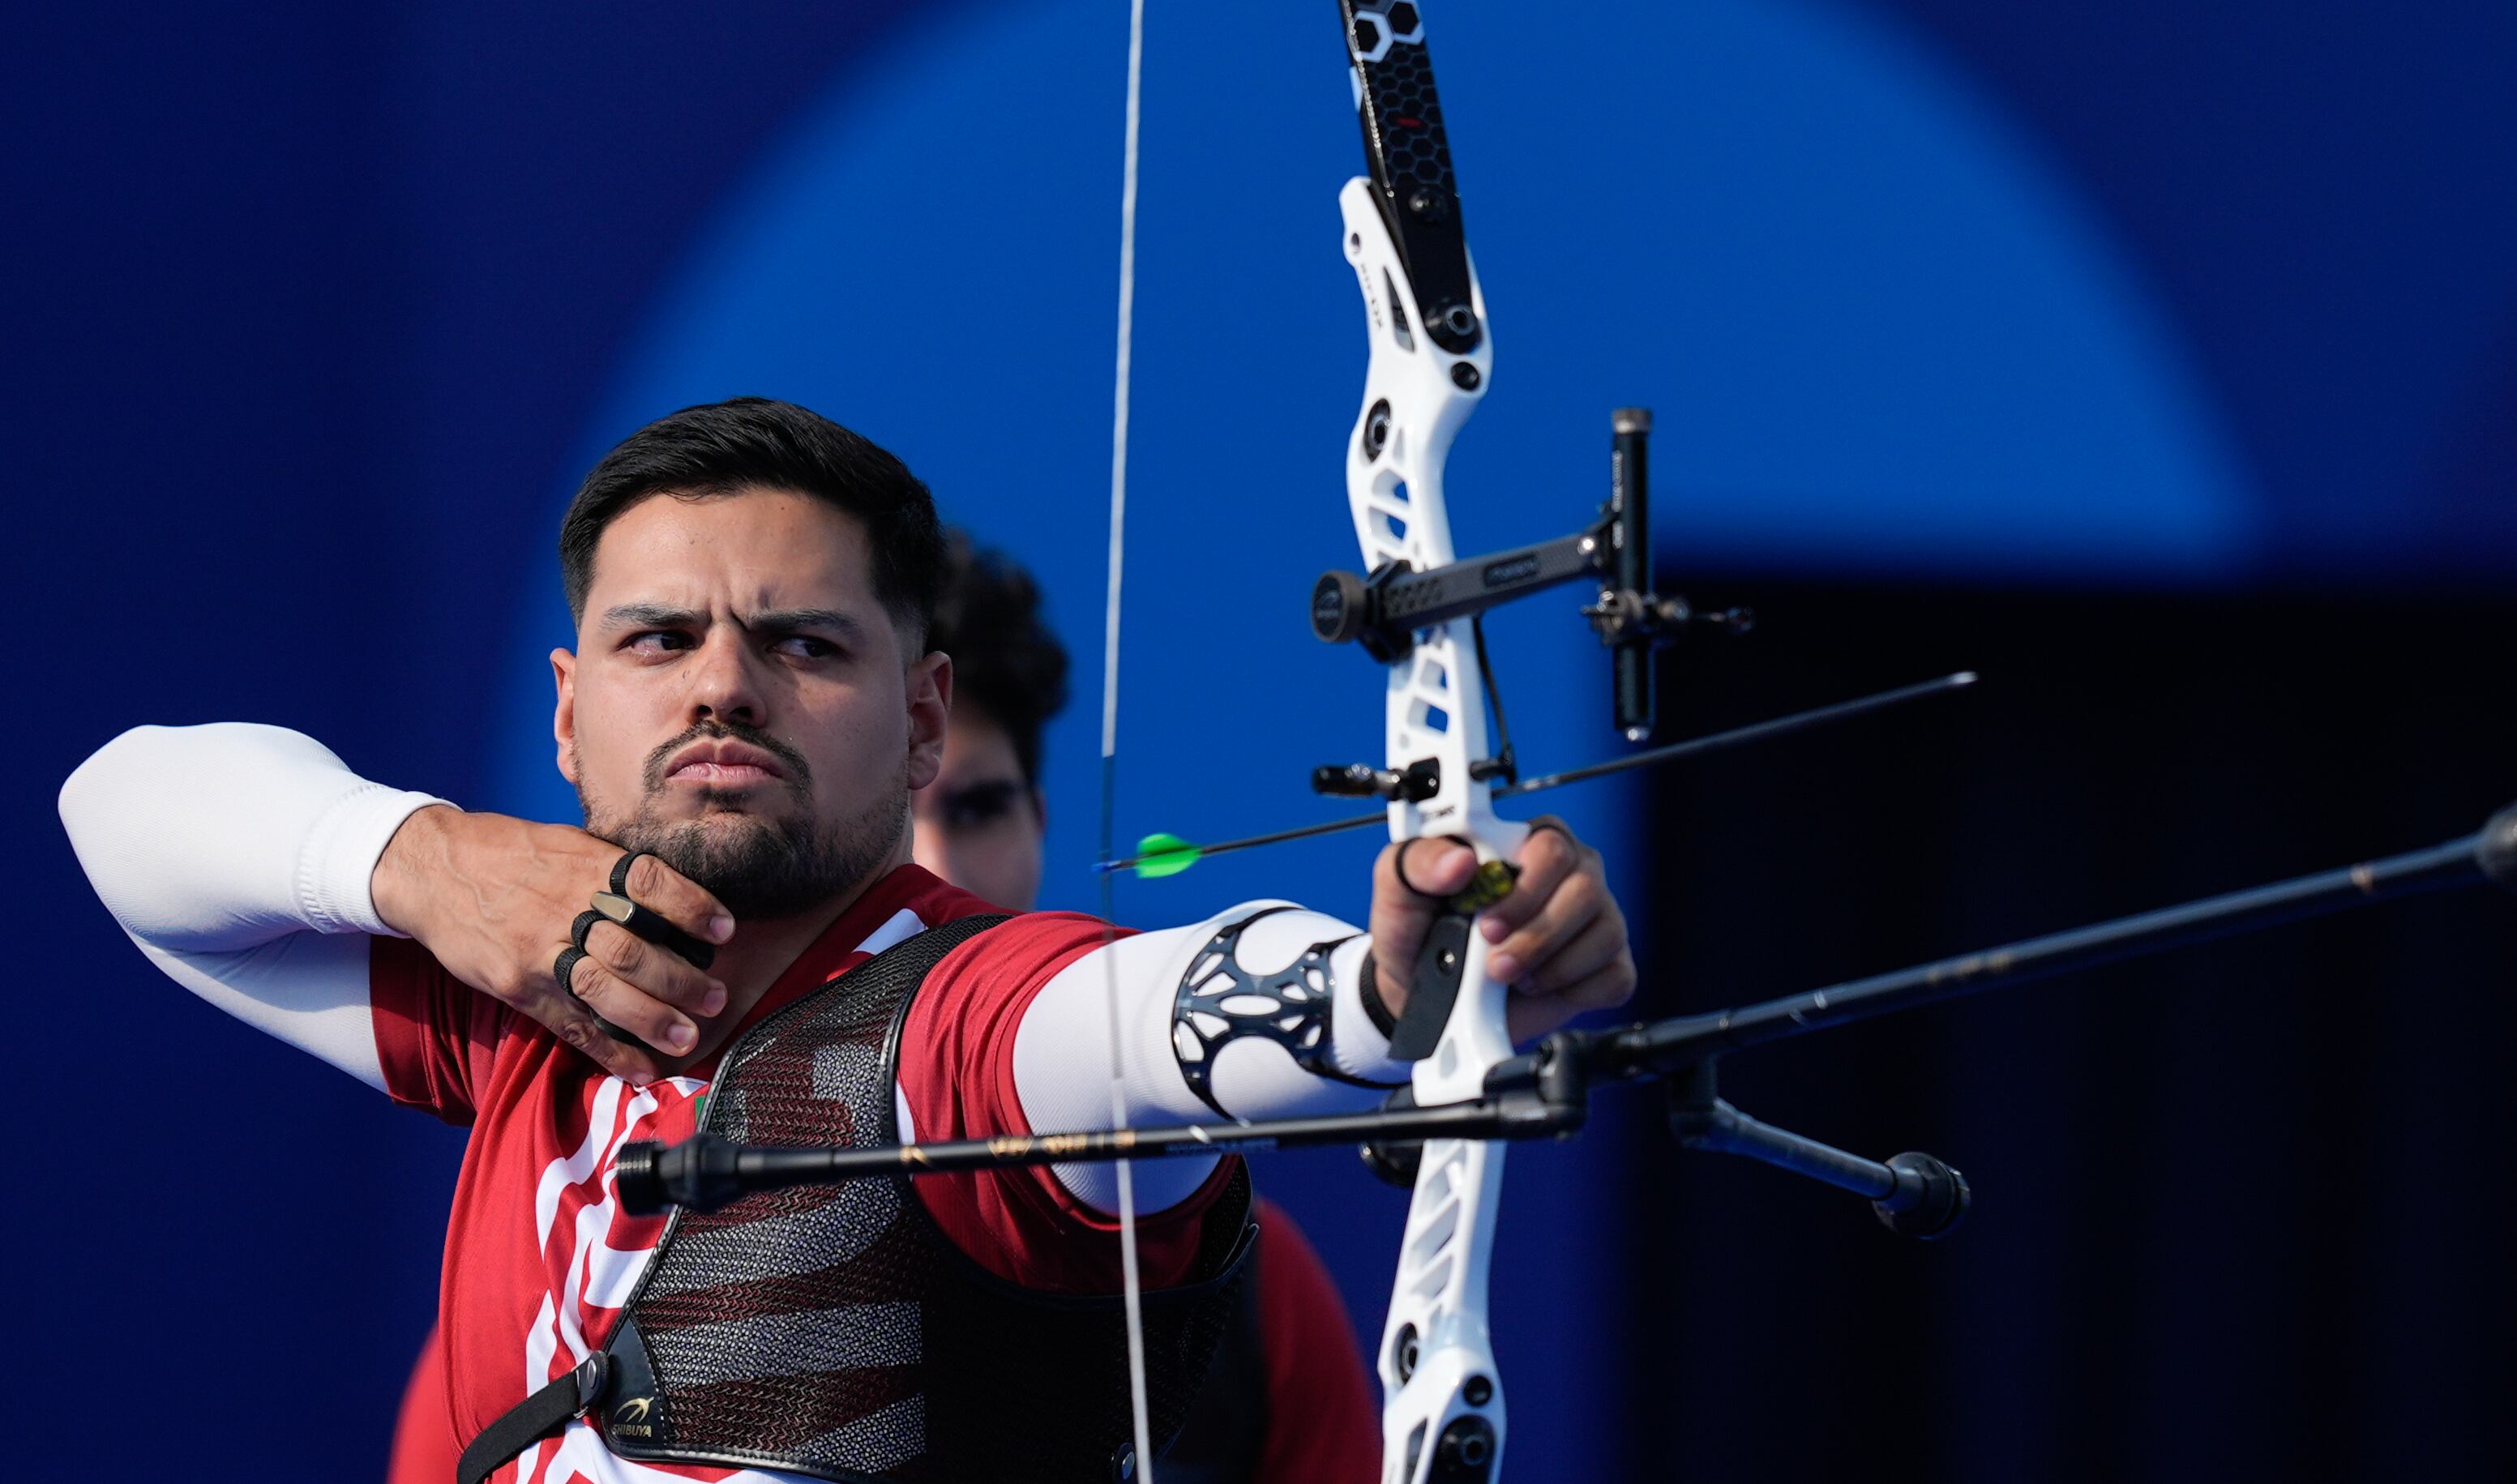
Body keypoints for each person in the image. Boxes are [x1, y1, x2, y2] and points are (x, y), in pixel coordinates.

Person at [62, 398, 1636, 1484]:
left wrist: (1388, 994)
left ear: (925, 719)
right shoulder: (524, 1002)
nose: (721, 685)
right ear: (563, 711)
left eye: (804, 642)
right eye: (656, 639)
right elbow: (118, 814)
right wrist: (417, 856)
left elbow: (1138, 1025)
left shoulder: (961, 1022)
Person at [385, 532, 1382, 1482]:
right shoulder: (559, 1269)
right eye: (905, 830)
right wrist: (419, 855)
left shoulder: (1258, 1292)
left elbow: (1175, 1007)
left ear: (1038, 821)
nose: (937, 867)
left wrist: (1389, 990)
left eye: (978, 809)